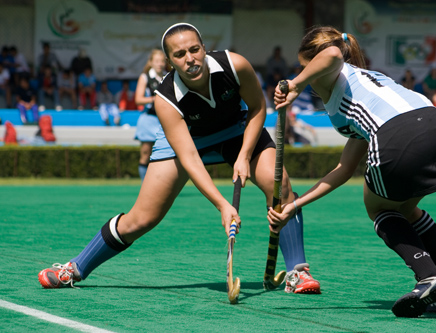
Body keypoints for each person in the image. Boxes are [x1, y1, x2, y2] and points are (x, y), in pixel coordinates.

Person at [38, 23, 321, 295]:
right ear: (170, 62)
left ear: (204, 48)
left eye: (195, 50)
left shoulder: (235, 65)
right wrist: (223, 205)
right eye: (180, 54)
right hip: (188, 142)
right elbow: (189, 158)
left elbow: (259, 108)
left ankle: (297, 271)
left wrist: (244, 155)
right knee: (141, 220)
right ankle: (75, 268)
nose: (190, 59)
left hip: (237, 132)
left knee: (280, 184)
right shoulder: (165, 98)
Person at [267, 26, 436, 317]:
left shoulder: (333, 73)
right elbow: (343, 169)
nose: (307, 74)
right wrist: (294, 205)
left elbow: (330, 54)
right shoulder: (364, 84)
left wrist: (297, 83)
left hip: (397, 132)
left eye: (305, 66)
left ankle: (428, 275)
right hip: (434, 126)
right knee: (406, 211)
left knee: (376, 206)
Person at [133, 49, 167, 181]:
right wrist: (155, 99)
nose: (160, 64)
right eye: (157, 61)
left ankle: (162, 184)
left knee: (165, 154)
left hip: (164, 120)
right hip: (148, 119)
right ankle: (144, 184)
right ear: (151, 62)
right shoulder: (145, 77)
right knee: (146, 154)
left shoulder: (168, 76)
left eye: (162, 61)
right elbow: (138, 99)